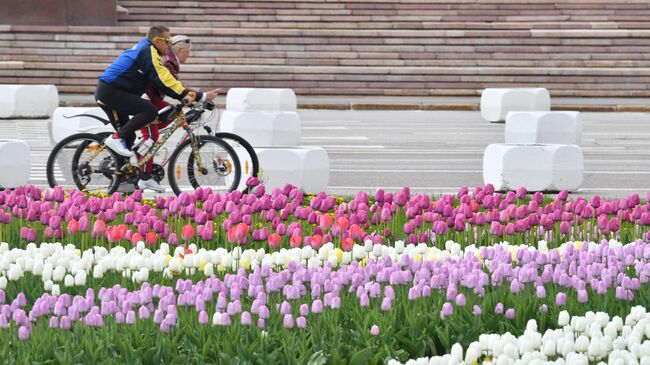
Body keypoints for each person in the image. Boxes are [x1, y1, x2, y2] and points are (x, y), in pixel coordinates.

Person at [95, 25, 205, 159]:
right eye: (167, 41)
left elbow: (164, 76)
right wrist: (184, 95)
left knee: (129, 137)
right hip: (111, 91)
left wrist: (186, 94)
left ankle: (122, 176)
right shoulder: (148, 51)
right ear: (157, 41)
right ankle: (115, 138)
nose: (169, 45)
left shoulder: (149, 50)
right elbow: (162, 78)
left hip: (115, 91)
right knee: (149, 111)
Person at [135, 35, 219, 192]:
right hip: (144, 99)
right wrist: (200, 96)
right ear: (179, 50)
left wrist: (194, 97)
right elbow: (173, 87)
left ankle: (140, 147)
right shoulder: (168, 62)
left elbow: (175, 88)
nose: (188, 54)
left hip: (152, 98)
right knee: (152, 137)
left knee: (172, 113)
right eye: (187, 52)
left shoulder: (170, 60)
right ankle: (144, 177)